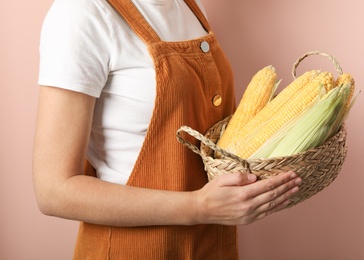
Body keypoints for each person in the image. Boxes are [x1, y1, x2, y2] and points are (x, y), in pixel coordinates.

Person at [33, 0, 302, 258]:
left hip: (209, 244)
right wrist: (199, 207)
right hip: (134, 249)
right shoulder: (82, 13)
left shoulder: (188, 6)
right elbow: (54, 190)